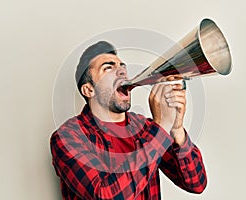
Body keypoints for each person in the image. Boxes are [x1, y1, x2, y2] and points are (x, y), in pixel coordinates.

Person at [50, 41, 207, 200]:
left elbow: (196, 183)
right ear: (89, 89)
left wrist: (176, 129)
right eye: (108, 68)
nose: (122, 72)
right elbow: (106, 195)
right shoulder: (67, 137)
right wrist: (160, 129)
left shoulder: (146, 128)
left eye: (122, 67)